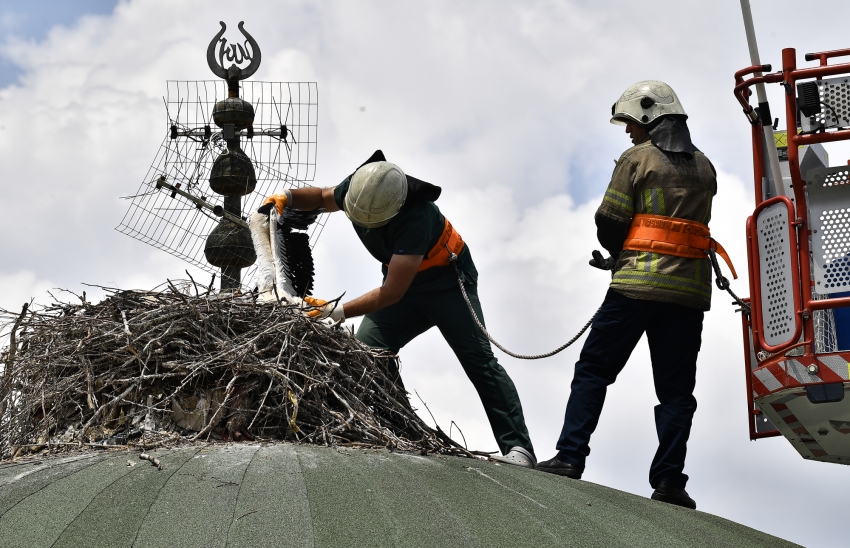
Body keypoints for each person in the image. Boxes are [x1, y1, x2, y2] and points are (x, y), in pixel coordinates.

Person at [261, 151, 536, 468]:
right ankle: (401, 429)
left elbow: (392, 292)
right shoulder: (360, 187)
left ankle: (518, 448)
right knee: (366, 354)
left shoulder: (415, 217)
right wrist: (289, 197)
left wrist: (336, 311)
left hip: (446, 285)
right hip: (404, 288)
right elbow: (323, 197)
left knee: (479, 361)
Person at [537, 81, 731, 510]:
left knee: (593, 371)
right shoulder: (706, 168)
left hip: (635, 287)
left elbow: (610, 218)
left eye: (629, 123)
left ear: (648, 116)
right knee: (677, 393)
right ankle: (669, 482)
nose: (627, 132)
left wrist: (616, 253)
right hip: (687, 294)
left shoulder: (636, 159)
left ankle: (570, 457)